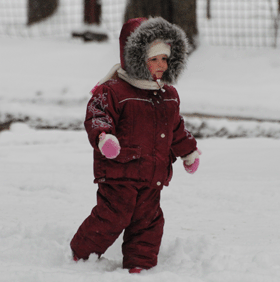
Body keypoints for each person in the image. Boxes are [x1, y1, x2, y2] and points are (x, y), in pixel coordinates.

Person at [70, 17, 200, 274]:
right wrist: (104, 138)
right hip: (119, 173)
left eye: (165, 59)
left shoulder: (168, 95)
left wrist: (188, 151)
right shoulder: (113, 90)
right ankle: (81, 253)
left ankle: (140, 263)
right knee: (113, 216)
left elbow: (175, 128)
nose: (161, 65)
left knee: (148, 221)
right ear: (135, 58)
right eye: (154, 59)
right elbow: (98, 117)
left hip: (153, 176)